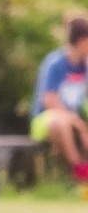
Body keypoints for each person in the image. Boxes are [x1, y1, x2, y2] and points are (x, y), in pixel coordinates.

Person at [29, 15, 88, 183]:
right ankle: (79, 172)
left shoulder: (84, 66)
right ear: (82, 41)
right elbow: (49, 102)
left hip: (75, 120)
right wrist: (77, 122)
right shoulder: (55, 64)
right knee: (61, 123)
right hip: (47, 119)